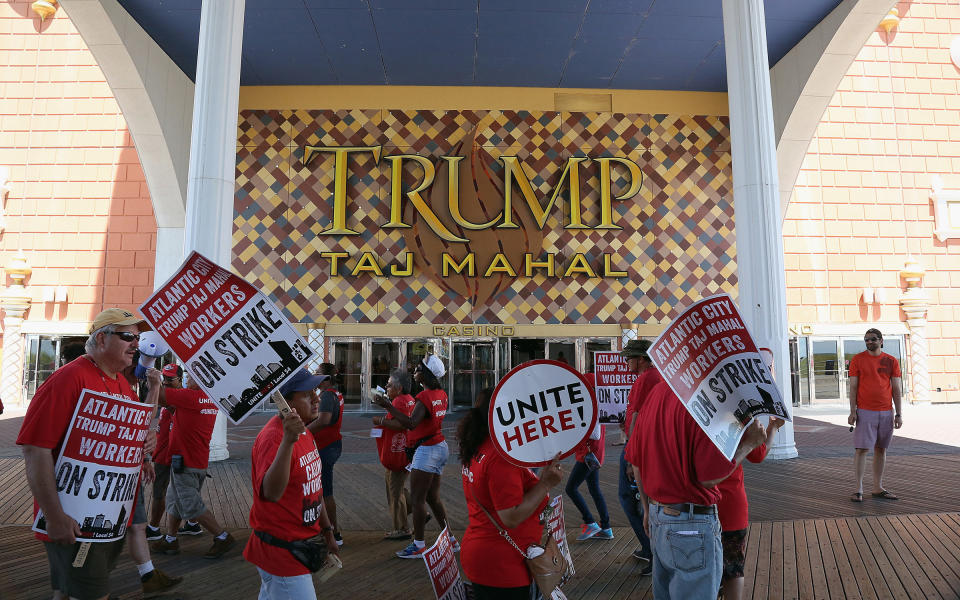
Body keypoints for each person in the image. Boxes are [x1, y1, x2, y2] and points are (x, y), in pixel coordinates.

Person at [17, 308, 149, 600]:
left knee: (66, 592)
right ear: (101, 339)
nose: (136, 344)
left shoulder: (122, 385)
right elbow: (35, 449)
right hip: (75, 522)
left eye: (138, 337)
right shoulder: (70, 378)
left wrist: (143, 447)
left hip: (107, 521)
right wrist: (54, 516)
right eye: (128, 336)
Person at [633, 381, 767, 600]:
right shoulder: (705, 399)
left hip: (659, 517)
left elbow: (636, 461)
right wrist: (750, 444)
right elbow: (709, 477)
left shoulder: (656, 392)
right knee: (731, 571)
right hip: (691, 523)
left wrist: (647, 509)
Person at [458, 386, 564, 600]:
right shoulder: (500, 457)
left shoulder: (482, 444)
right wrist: (545, 484)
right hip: (501, 565)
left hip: (491, 557)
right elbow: (510, 517)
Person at [244, 368, 340, 600]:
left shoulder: (305, 431)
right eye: (308, 394)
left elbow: (314, 487)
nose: (317, 399)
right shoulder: (274, 437)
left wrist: (327, 531)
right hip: (282, 552)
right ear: (286, 402)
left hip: (302, 545)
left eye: (315, 392)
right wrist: (288, 441)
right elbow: (271, 493)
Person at [373, 354, 454, 558]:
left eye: (419, 368)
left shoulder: (424, 397)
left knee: (418, 500)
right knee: (432, 498)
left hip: (426, 449)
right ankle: (451, 539)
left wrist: (387, 406)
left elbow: (411, 423)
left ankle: (418, 545)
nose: (415, 371)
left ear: (426, 374)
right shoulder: (441, 394)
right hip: (439, 445)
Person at [151, 372, 235, 558]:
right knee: (175, 498)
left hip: (185, 461)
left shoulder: (190, 396)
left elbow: (161, 396)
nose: (187, 380)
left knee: (191, 503)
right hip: (196, 460)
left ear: (203, 379)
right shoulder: (210, 399)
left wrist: (154, 379)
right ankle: (171, 540)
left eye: (190, 377)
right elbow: (182, 413)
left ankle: (222, 536)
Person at [119, 361, 183, 596]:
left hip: (132, 469)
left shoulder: (125, 389)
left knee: (137, 525)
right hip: (114, 472)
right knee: (121, 529)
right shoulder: (113, 387)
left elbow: (144, 421)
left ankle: (148, 574)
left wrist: (145, 458)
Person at [715, 416, 783, 600]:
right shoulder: (740, 418)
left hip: (699, 505)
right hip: (732, 507)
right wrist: (773, 427)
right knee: (734, 567)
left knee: (703, 570)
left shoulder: (695, 415)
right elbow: (759, 454)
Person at [145, 364, 201, 540]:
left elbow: (163, 401)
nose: (167, 383)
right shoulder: (178, 396)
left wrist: (155, 386)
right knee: (181, 492)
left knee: (162, 491)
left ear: (180, 380)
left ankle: (154, 528)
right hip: (167, 451)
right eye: (165, 379)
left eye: (170, 379)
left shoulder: (181, 398)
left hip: (171, 453)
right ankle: (192, 524)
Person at [848, 328, 903, 502]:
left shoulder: (891, 361)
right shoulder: (857, 360)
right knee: (862, 449)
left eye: (872, 339)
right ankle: (858, 489)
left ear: (881, 340)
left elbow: (896, 388)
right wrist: (852, 411)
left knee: (881, 449)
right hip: (865, 411)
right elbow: (853, 387)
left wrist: (899, 414)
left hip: (886, 412)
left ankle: (878, 487)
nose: (869, 342)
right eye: (866, 340)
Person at [618, 339, 659, 567]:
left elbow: (638, 416)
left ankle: (649, 548)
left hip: (636, 445)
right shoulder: (653, 377)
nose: (626, 362)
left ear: (641, 359)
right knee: (639, 498)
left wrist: (631, 455)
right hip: (642, 444)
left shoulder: (646, 378)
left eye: (629, 358)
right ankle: (651, 548)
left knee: (628, 497)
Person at [372, 369, 417, 540]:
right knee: (395, 486)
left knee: (395, 492)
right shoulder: (408, 400)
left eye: (389, 385)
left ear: (398, 388)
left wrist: (380, 421)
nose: (386, 387)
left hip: (397, 453)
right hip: (401, 452)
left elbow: (400, 425)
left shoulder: (399, 402)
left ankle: (402, 528)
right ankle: (419, 510)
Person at [306, 363, 345, 546]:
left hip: (327, 447)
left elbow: (324, 420)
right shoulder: (335, 394)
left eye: (318, 373)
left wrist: (303, 433)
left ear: (327, 378)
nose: (315, 375)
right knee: (323, 489)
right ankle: (328, 530)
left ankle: (334, 534)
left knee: (325, 492)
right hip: (332, 445)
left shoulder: (328, 395)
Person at [567, 421, 612, 541]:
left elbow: (595, 434)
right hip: (593, 453)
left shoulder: (591, 406)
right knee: (594, 489)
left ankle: (590, 522)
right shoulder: (595, 405)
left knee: (571, 489)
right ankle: (606, 528)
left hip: (588, 455)